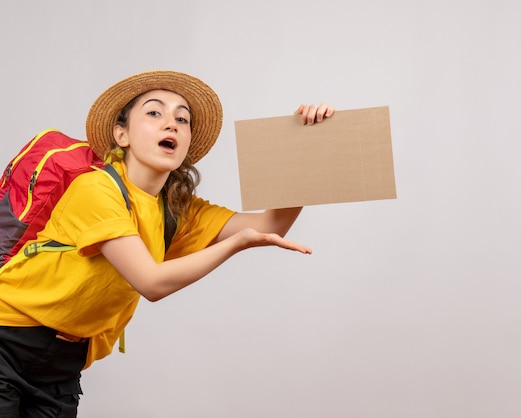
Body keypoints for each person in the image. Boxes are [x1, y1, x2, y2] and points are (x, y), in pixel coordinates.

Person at [0, 70, 335, 417]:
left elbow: (270, 224)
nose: (171, 124)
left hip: (63, 366)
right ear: (122, 134)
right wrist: (237, 244)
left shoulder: (174, 209)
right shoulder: (95, 190)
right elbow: (151, 282)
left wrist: (304, 149)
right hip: (7, 339)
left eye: (182, 118)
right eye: (154, 113)